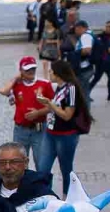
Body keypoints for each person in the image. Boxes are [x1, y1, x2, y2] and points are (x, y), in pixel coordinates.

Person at [36, 59, 90, 196]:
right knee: (43, 168)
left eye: (51, 71)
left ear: (58, 74)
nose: (49, 73)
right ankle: (45, 195)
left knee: (66, 169)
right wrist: (44, 103)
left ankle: (67, 196)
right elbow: (56, 109)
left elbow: (67, 115)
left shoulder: (71, 89)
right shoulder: (59, 87)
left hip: (66, 135)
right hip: (50, 132)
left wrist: (49, 103)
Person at [0, 56, 54, 169]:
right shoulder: (17, 85)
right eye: (27, 69)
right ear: (21, 71)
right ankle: (23, 185)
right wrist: (15, 79)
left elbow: (54, 106)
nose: (31, 72)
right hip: (20, 130)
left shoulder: (44, 84)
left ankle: (42, 185)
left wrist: (38, 113)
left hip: (39, 130)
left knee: (41, 162)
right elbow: (3, 91)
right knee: (19, 162)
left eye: (33, 69)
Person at [89, 21, 110, 102]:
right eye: (107, 26)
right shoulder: (100, 36)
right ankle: (86, 93)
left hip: (109, 60)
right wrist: (107, 49)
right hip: (101, 61)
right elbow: (98, 47)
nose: (108, 28)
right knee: (96, 78)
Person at [70, 20, 95, 101]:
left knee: (82, 94)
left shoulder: (85, 36)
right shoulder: (89, 35)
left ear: (80, 28)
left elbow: (87, 50)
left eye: (76, 29)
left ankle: (84, 112)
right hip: (87, 67)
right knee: (84, 92)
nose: (75, 32)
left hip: (84, 68)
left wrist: (74, 54)